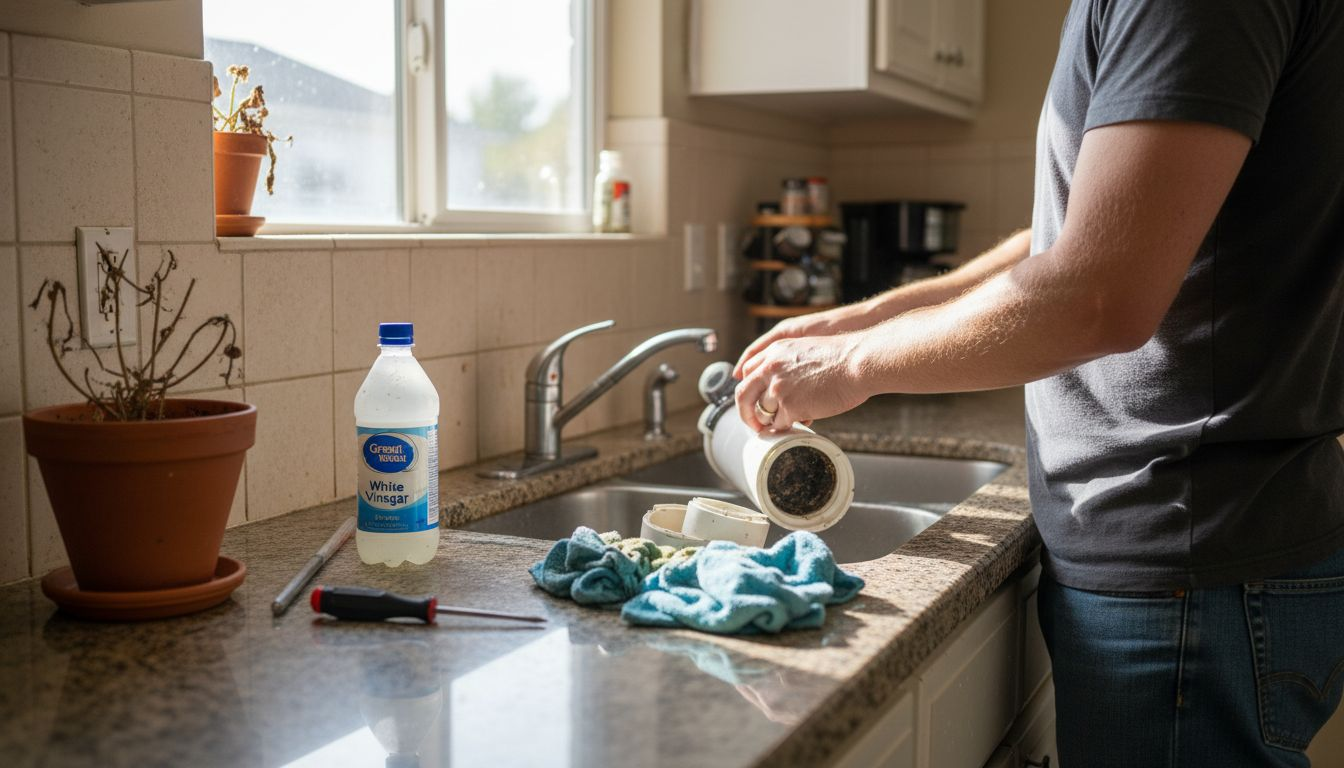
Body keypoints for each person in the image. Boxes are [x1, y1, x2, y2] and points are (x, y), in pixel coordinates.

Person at [732, 1, 1344, 765]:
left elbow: (1098, 291)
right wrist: (874, 317)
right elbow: (1086, 224)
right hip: (1198, 559)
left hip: (1193, 563)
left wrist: (857, 365)